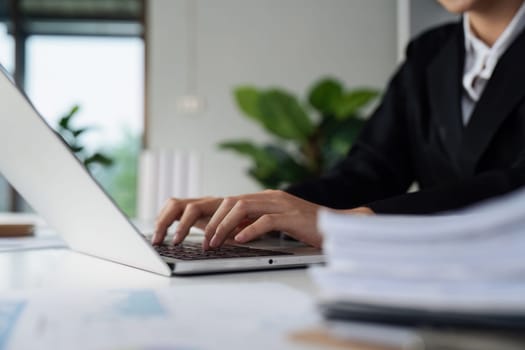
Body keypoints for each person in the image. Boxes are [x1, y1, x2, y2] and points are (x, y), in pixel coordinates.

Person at [153, 0, 525, 250]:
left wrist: (357, 223)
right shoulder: (429, 52)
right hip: (439, 278)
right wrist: (265, 210)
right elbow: (371, 171)